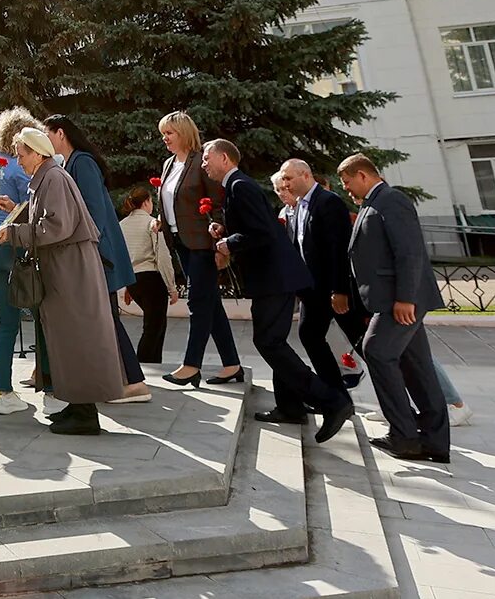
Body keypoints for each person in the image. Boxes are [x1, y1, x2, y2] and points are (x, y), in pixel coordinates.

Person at [204, 142, 352, 443]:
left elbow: (262, 233)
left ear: (223, 158)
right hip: (275, 278)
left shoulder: (240, 186)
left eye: (207, 158)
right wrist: (225, 230)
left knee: (268, 341)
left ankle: (332, 401)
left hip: (274, 278)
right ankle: (290, 406)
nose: (204, 164)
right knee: (274, 341)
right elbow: (257, 226)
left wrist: (228, 244)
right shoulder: (236, 186)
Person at [0, 127, 124, 435]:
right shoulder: (47, 177)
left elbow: (57, 226)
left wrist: (14, 233)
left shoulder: (52, 178)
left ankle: (85, 415)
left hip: (71, 272)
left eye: (22, 154)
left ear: (38, 153)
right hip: (65, 269)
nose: (18, 160)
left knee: (76, 339)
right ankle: (78, 408)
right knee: (69, 341)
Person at [337, 154, 450, 464]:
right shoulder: (373, 203)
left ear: (362, 175)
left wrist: (406, 298)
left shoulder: (391, 200)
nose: (346, 189)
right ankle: (434, 441)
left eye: (347, 182)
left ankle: (404, 435)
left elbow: (410, 252)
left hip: (400, 300)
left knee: (376, 350)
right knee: (418, 365)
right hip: (391, 298)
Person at [45, 115, 151, 403]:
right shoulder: (69, 164)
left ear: (61, 134)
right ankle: (123, 379)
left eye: (48, 134)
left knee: (108, 319)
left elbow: (95, 214)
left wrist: (83, 251)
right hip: (92, 255)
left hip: (97, 255)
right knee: (104, 319)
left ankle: (135, 382)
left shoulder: (83, 162)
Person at [155, 112, 243, 387]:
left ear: (183, 133)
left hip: (202, 243)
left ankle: (192, 365)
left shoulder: (199, 161)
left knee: (197, 301)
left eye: (169, 133)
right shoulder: (169, 163)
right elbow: (171, 199)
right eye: (163, 134)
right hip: (180, 241)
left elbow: (217, 204)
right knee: (211, 304)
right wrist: (163, 219)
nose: (165, 138)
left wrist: (221, 242)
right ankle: (232, 364)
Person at [275, 160, 366, 404]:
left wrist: (340, 289)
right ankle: (335, 396)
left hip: (335, 291)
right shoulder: (298, 207)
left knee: (364, 344)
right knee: (309, 335)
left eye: (289, 179)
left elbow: (338, 250)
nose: (285, 185)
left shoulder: (328, 202)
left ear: (305, 175)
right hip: (312, 291)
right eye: (283, 180)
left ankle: (400, 397)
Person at [0, 107, 40, 416]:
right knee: (39, 314)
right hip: (14, 244)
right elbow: (31, 210)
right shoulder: (21, 166)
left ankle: (3, 390)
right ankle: (49, 385)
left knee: (6, 322)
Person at [119, 186, 176, 365]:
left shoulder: (121, 225)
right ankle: (142, 365)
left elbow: (121, 257)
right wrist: (171, 287)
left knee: (156, 325)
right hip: (152, 279)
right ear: (146, 202)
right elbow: (162, 256)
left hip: (134, 280)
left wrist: (127, 284)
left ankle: (153, 364)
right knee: (154, 327)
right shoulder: (152, 223)